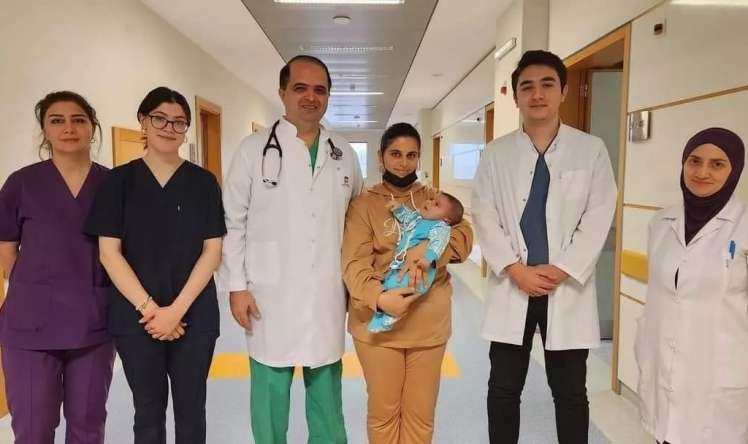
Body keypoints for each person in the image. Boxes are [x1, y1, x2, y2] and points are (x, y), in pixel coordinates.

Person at [471, 49, 617, 444]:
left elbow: (600, 212)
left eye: (547, 84)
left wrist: (563, 268)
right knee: (503, 389)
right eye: (527, 87)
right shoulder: (496, 153)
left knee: (570, 393)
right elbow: (484, 213)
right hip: (514, 283)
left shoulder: (590, 150)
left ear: (564, 91)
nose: (537, 94)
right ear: (516, 96)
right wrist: (514, 269)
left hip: (564, 285)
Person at [222, 55, 363, 444]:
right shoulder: (253, 150)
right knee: (269, 397)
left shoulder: (343, 153)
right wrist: (236, 286)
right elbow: (233, 222)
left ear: (329, 96)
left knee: (327, 400)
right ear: (282, 92)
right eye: (300, 88)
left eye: (320, 90)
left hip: (327, 292)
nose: (310, 97)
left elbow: (358, 223)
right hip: (269, 294)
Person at [84, 86, 225, 444]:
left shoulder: (203, 182)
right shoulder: (117, 181)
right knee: (147, 411)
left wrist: (175, 312)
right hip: (136, 315)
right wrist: (151, 310)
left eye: (179, 122)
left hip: (194, 313)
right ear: (143, 121)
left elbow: (212, 251)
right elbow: (109, 253)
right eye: (159, 118)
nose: (169, 128)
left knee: (192, 410)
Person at [342, 122, 473, 444]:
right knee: (384, 413)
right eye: (396, 154)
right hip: (378, 323)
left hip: (427, 324)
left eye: (411, 155)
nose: (403, 162)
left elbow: (463, 236)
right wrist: (380, 298)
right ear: (381, 156)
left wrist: (428, 255)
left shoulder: (433, 198)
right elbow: (354, 263)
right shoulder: (364, 204)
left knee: (420, 415)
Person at [0, 91, 115, 443]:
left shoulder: (113, 185)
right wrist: (39, 290)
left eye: (79, 120)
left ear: (92, 128)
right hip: (30, 327)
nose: (69, 128)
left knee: (88, 426)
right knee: (33, 428)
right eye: (57, 120)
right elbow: (6, 252)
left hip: (94, 324)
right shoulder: (21, 183)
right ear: (44, 130)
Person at [635, 127, 747, 444]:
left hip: (719, 376)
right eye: (694, 161)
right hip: (663, 369)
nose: (702, 172)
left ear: (734, 170)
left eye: (717, 164)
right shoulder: (661, 222)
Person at [368, 192, 464, 333]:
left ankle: (391, 317)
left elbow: (439, 244)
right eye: (431, 199)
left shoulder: (440, 227)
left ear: (446, 219)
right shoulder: (418, 218)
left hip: (420, 269)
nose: (429, 203)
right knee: (389, 283)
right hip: (402, 264)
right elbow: (407, 217)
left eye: (436, 204)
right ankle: (383, 314)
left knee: (401, 285)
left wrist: (427, 258)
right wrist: (398, 209)